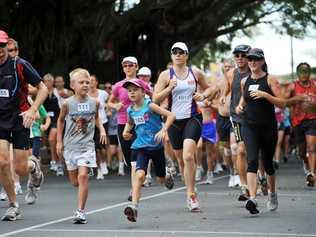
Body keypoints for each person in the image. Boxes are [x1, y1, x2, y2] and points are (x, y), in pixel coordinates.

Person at [235, 48, 305, 215]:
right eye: (249, 59)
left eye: (255, 60)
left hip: (268, 127)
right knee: (252, 160)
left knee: (267, 164)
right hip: (249, 126)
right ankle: (253, 198)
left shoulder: (271, 79)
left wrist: (265, 95)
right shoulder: (244, 81)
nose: (252, 62)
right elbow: (244, 99)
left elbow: (282, 103)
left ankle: (272, 194)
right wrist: (239, 107)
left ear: (262, 62)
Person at [153, 42, 217, 212]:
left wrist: (202, 95)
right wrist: (169, 88)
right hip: (173, 121)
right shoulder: (166, 75)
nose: (178, 54)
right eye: (175, 52)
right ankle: (190, 187)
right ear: (171, 55)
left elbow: (211, 88)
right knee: (181, 159)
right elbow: (154, 99)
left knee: (189, 155)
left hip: (193, 118)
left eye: (181, 52)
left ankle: (191, 194)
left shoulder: (195, 73)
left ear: (187, 55)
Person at [0, 30, 48, 221]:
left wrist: (33, 109)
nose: (0, 51)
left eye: (2, 47)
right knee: (2, 162)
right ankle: (13, 205)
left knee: (20, 169)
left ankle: (34, 167)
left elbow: (43, 88)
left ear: (7, 46)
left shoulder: (19, 65)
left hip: (20, 118)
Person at [56, 68, 107, 224]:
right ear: (72, 85)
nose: (85, 85)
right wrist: (59, 141)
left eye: (87, 82)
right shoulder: (67, 104)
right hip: (70, 147)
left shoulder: (95, 102)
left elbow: (97, 118)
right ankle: (83, 174)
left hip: (87, 146)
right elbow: (60, 121)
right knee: (75, 182)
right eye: (81, 82)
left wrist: (102, 129)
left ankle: (80, 211)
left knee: (83, 176)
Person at [122, 79, 175, 222]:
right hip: (141, 148)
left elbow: (171, 115)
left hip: (157, 148)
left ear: (143, 92)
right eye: (129, 90)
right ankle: (134, 207)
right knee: (139, 175)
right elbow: (130, 123)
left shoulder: (150, 106)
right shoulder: (130, 110)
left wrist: (164, 130)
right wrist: (126, 132)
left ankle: (167, 175)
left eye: (135, 89)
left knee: (160, 179)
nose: (131, 92)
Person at [108, 56, 151, 201]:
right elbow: (110, 102)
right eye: (125, 65)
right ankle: (143, 176)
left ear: (136, 67)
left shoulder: (142, 84)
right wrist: (115, 106)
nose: (128, 68)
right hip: (123, 123)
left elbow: (154, 99)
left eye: (130, 65)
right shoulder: (118, 86)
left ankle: (134, 189)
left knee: (137, 155)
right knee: (128, 157)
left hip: (140, 124)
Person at [281, 62, 316, 186]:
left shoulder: (315, 84)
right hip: (297, 122)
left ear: (309, 73)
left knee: (312, 147)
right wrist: (296, 99)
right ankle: (306, 164)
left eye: (306, 72)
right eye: (301, 72)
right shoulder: (292, 86)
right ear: (298, 73)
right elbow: (283, 102)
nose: (304, 74)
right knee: (302, 151)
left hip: (313, 120)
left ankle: (312, 173)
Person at [228, 44, 251, 201]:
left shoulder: (255, 73)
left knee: (257, 154)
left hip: (255, 118)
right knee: (240, 150)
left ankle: (261, 175)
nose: (240, 58)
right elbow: (224, 88)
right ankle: (244, 187)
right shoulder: (231, 74)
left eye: (243, 55)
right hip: (237, 118)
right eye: (237, 55)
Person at [88, 75, 109, 179]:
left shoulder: (103, 93)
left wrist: (109, 110)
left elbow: (110, 102)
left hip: (103, 122)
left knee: (103, 148)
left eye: (92, 81)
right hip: (91, 123)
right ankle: (99, 169)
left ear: (96, 82)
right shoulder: (86, 94)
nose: (91, 82)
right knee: (95, 148)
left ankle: (104, 162)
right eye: (89, 81)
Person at [43, 73, 63, 176]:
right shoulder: (41, 92)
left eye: (49, 81)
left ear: (52, 82)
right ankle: (58, 162)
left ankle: (55, 162)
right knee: (50, 143)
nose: (47, 83)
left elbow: (69, 94)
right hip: (46, 120)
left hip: (57, 119)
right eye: (45, 81)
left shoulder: (58, 92)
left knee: (52, 139)